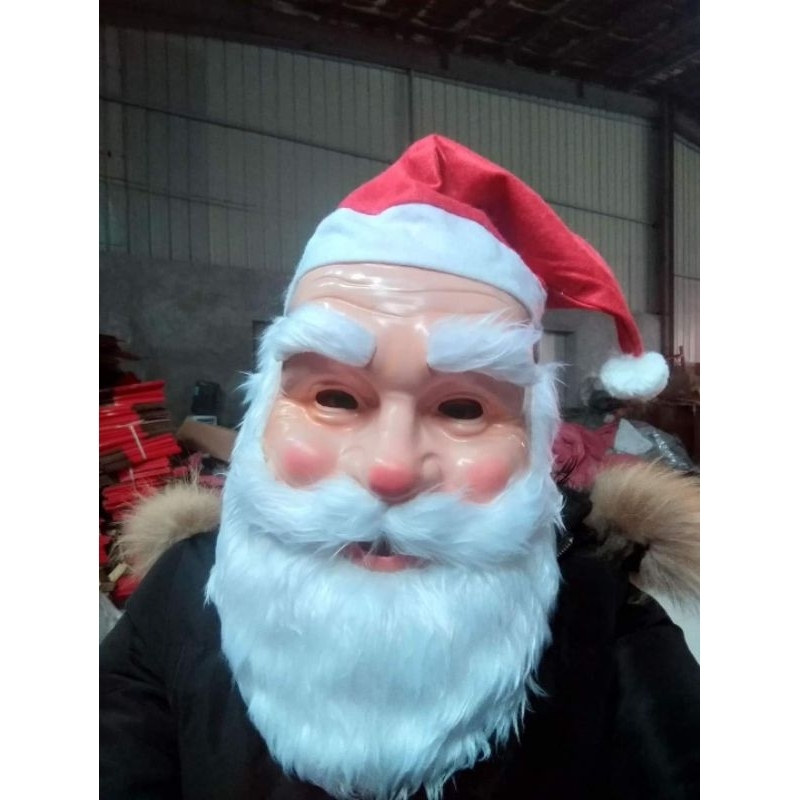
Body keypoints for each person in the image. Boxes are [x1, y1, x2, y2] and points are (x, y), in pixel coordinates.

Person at [100, 134, 699, 800]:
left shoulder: (600, 618)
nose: (390, 470)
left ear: (534, 439)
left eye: (464, 408)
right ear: (263, 414)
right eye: (334, 398)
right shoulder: (182, 595)